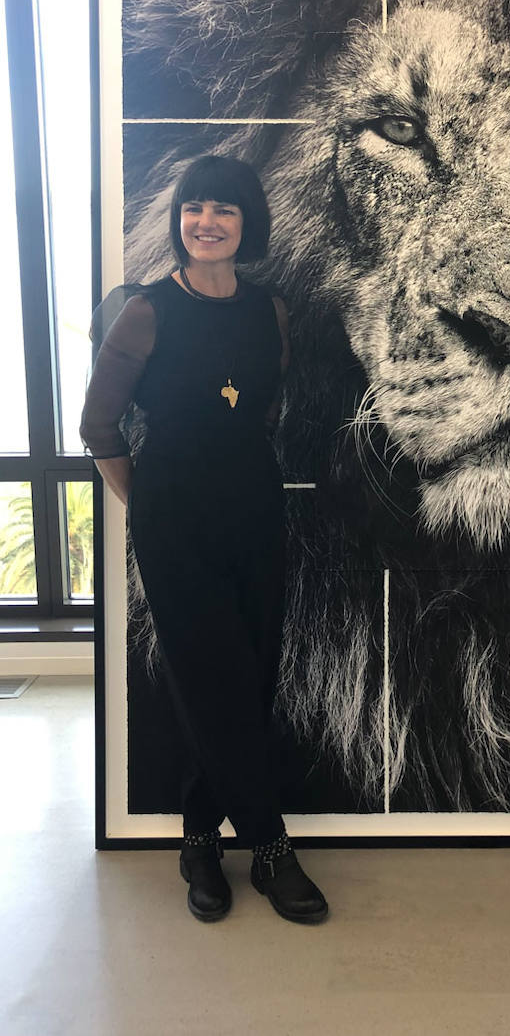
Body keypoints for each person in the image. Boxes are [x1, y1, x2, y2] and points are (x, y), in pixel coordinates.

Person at [80, 154, 328, 925]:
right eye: (193, 208)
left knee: (246, 678)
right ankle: (271, 849)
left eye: (222, 209)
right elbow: (97, 425)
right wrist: (148, 501)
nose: (205, 222)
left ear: (246, 222)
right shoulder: (146, 311)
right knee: (212, 674)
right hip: (173, 523)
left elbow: (259, 410)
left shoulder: (272, 311)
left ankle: (197, 841)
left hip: (254, 511)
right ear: (178, 220)